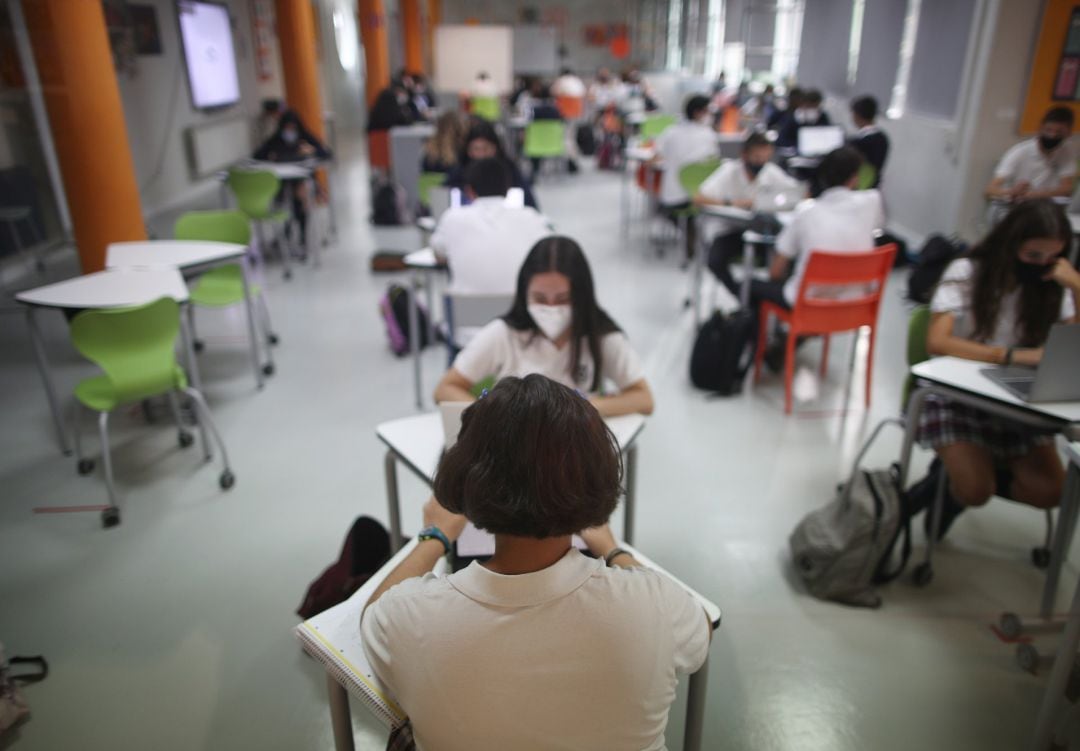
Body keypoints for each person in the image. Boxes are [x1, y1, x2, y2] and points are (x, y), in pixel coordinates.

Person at [362, 375, 708, 750]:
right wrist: (614, 550)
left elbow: (373, 616)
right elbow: (700, 627)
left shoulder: (413, 617)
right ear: (596, 476)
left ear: (466, 476)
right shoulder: (655, 606)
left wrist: (435, 535)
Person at [915, 199, 1080, 539]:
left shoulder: (1051, 284)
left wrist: (1076, 286)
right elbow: (938, 342)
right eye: (1033, 256)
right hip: (958, 394)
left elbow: (1072, 343)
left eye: (1052, 258)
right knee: (975, 489)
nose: (1042, 266)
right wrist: (1010, 356)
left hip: (1017, 400)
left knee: (1052, 491)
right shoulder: (968, 272)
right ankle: (953, 486)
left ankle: (949, 478)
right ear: (1010, 245)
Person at [434, 236, 655, 417]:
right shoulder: (504, 333)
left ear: (582, 297)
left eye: (562, 299)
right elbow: (445, 388)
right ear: (524, 294)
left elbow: (644, 399)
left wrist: (583, 408)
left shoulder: (601, 337)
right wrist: (491, 415)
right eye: (540, 298)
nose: (551, 308)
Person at [753, 147, 885, 366]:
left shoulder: (806, 213)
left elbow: (776, 271)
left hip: (811, 307)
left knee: (754, 287)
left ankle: (761, 353)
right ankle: (790, 343)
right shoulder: (872, 201)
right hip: (856, 307)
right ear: (855, 178)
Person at [431, 158, 551, 296]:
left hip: (465, 313)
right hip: (519, 310)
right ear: (508, 189)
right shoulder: (531, 217)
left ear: (469, 191)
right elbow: (548, 254)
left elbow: (439, 254)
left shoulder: (451, 217)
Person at [698, 132, 804, 289]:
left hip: (762, 232)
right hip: (730, 231)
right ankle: (741, 297)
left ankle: (769, 301)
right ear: (744, 155)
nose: (761, 162)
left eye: (765, 158)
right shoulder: (729, 171)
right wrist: (735, 203)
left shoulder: (770, 171)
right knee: (715, 261)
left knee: (788, 258)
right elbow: (699, 198)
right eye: (757, 157)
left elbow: (798, 192)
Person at [653, 95, 719, 261]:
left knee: (666, 207)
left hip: (673, 198)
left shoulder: (670, 132)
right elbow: (713, 163)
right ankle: (694, 237)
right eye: (707, 111)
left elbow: (657, 157)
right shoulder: (709, 135)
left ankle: (689, 234)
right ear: (698, 113)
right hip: (702, 197)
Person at [252, 110, 332, 247]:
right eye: (287, 128)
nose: (290, 131)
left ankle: (300, 235)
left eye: (293, 128)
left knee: (299, 199)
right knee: (289, 202)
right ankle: (288, 231)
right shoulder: (276, 139)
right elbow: (258, 155)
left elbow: (326, 153)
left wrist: (311, 151)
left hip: (301, 181)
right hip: (282, 182)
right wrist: (272, 157)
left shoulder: (304, 137)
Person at [986, 107, 1076, 203]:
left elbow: (1067, 189)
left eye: (1059, 132)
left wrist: (1033, 195)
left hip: (1044, 206)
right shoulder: (1020, 151)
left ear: (1068, 133)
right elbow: (990, 190)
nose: (1052, 136)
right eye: (1048, 130)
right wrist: (1011, 192)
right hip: (1014, 207)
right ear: (1040, 129)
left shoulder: (1066, 151)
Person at [445, 120, 539, 210]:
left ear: (495, 149)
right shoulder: (459, 171)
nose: (481, 154)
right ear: (468, 150)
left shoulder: (508, 169)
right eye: (476, 149)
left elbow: (529, 202)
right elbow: (445, 197)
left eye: (485, 149)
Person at [528, 84, 579, 176]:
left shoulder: (535, 111)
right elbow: (563, 123)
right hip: (554, 145)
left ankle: (535, 170)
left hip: (537, 145)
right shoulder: (556, 110)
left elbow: (528, 124)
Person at [848, 95, 888, 187]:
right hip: (873, 186)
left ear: (856, 115)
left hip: (858, 187)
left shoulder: (858, 143)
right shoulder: (883, 138)